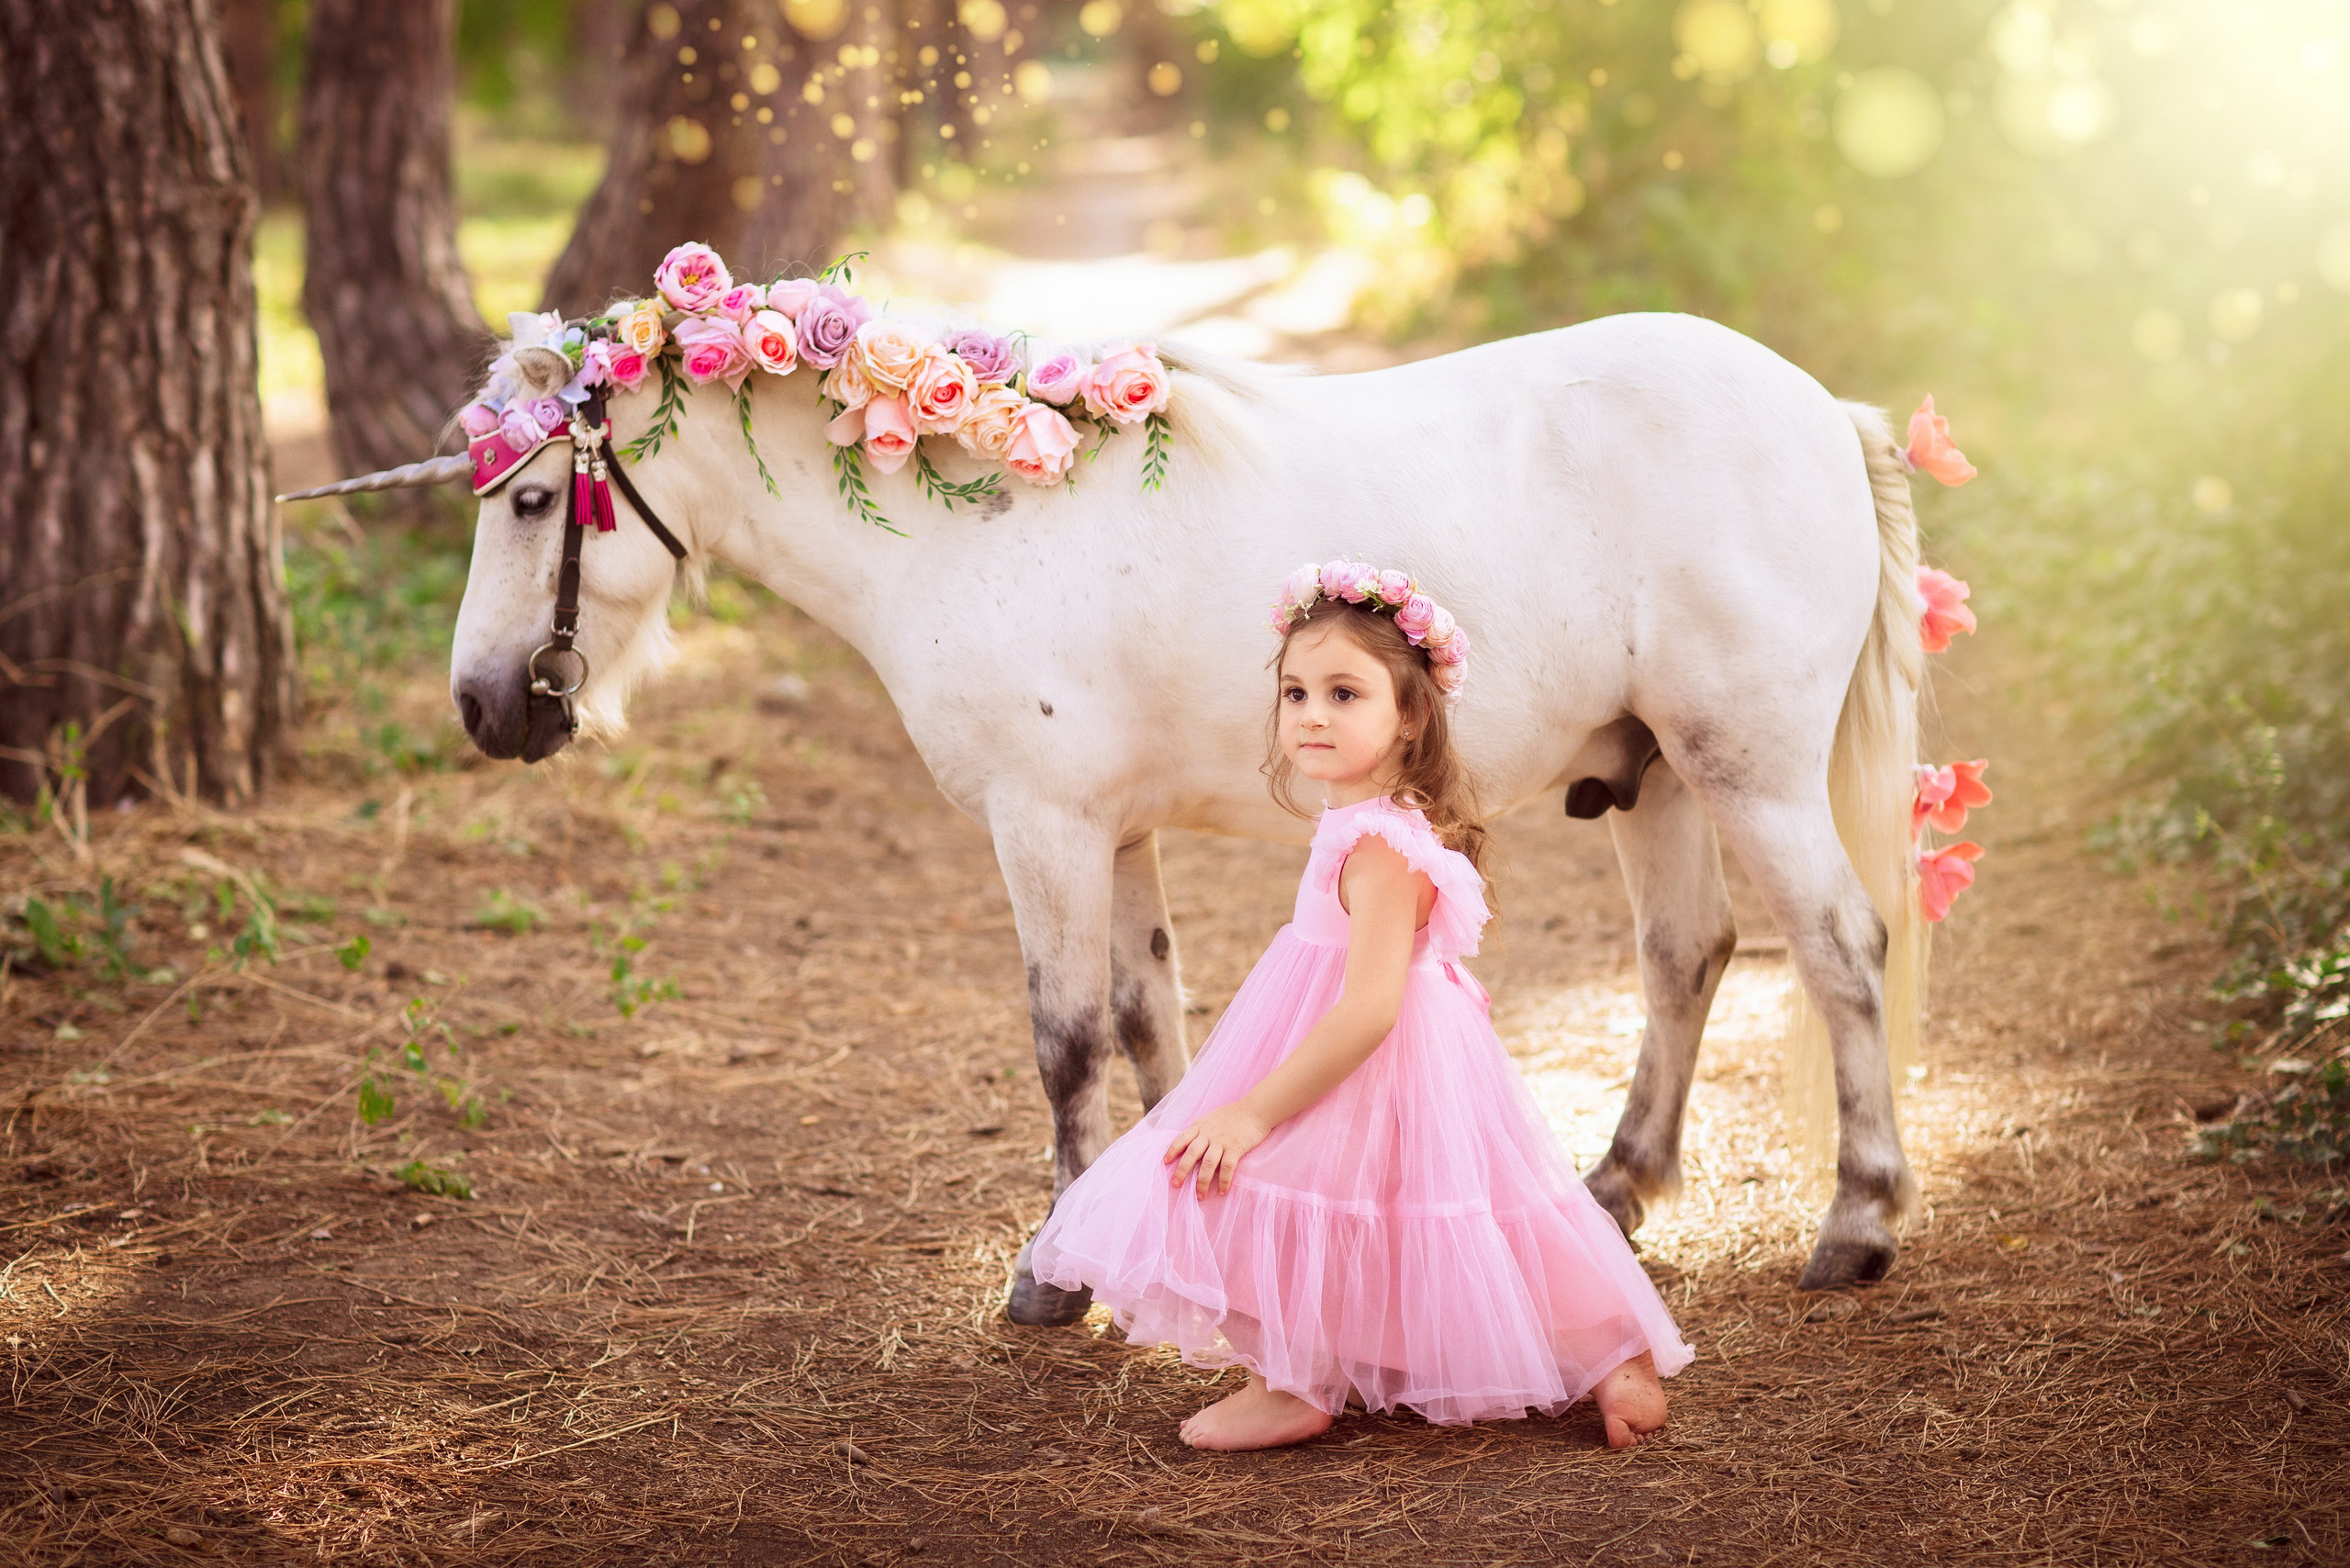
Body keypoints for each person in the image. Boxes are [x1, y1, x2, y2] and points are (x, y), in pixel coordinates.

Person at [1030, 561, 1693, 1451]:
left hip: (1368, 1047)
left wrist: (1251, 1109)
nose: (1311, 713)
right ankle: (1610, 1357)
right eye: (1295, 691)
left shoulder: (1382, 846)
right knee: (1462, 1211)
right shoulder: (1364, 823)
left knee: (1235, 1172)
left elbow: (1371, 1006)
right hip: (1378, 1039)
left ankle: (1296, 1381)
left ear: (1410, 713)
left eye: (1345, 693)